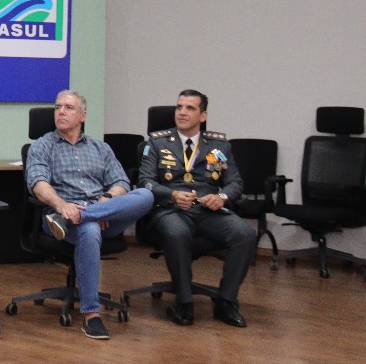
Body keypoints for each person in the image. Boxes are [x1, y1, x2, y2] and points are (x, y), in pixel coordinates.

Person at [24, 90, 154, 340]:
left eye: (68, 108)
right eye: (57, 107)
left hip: (100, 212)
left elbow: (121, 182)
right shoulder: (42, 146)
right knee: (90, 229)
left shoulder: (100, 148)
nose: (61, 112)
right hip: (60, 215)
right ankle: (92, 315)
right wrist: (62, 207)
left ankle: (87, 215)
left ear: (82, 115)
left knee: (146, 195)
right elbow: (38, 184)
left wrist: (105, 201)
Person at [138, 89, 256, 328]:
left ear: (203, 116)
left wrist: (221, 197)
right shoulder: (158, 143)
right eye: (179, 107)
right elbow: (145, 181)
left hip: (207, 209)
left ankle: (226, 301)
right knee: (177, 233)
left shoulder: (217, 147)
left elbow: (234, 183)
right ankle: (183, 302)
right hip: (171, 209)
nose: (182, 112)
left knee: (245, 234)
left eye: (190, 108)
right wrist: (172, 195)